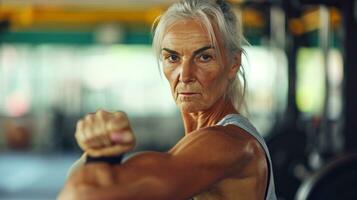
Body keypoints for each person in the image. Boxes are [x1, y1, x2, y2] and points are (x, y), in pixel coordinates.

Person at [58, 0, 277, 199]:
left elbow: (82, 194)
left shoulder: (227, 144)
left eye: (204, 57)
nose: (185, 75)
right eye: (173, 57)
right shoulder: (207, 140)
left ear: (233, 64)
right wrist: (98, 150)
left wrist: (98, 158)